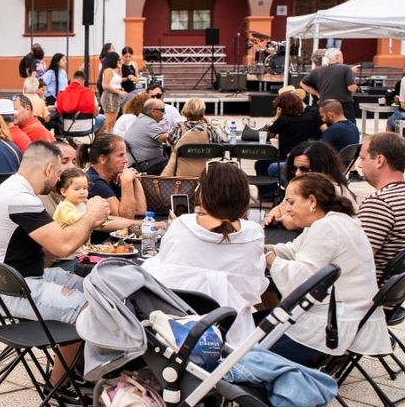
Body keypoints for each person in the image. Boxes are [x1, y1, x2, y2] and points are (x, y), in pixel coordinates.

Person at [0, 141, 109, 326]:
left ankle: (69, 354)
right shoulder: (20, 199)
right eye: (57, 174)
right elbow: (62, 247)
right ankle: (69, 356)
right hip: (6, 291)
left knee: (98, 291)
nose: (57, 180)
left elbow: (52, 247)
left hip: (13, 280)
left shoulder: (14, 188)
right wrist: (90, 217)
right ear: (48, 169)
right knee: (93, 309)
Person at [266, 173, 388, 369]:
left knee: (247, 345)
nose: (285, 208)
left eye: (290, 202)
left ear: (312, 200)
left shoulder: (327, 227)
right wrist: (269, 249)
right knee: (259, 324)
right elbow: (295, 250)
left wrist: (268, 258)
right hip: (348, 317)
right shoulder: (335, 220)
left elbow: (302, 278)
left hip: (331, 326)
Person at [141, 163, 268, 341]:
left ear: (203, 194)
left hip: (177, 327)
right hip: (233, 333)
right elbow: (254, 289)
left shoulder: (182, 224)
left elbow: (162, 273)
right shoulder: (254, 233)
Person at [264, 141, 355, 229]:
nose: (297, 174)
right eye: (294, 168)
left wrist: (283, 218)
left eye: (305, 169)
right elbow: (281, 207)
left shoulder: (333, 191)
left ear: (322, 168)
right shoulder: (302, 186)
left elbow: (295, 223)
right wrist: (272, 216)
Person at [356, 132, 405, 282]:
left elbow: (355, 261)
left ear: (379, 160)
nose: (359, 164)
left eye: (363, 158)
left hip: (367, 298)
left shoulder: (380, 204)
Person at [82, 134, 147, 219]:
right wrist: (126, 181)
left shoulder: (110, 180)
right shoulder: (94, 181)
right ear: (102, 159)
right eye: (120, 155)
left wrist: (135, 180)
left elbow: (140, 211)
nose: (126, 160)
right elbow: (126, 217)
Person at [266, 89, 322, 179]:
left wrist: (276, 117)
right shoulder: (310, 117)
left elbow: (269, 134)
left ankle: (269, 191)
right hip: (307, 156)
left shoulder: (283, 119)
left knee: (261, 164)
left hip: (287, 157)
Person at [302, 48, 357, 120]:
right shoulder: (345, 68)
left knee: (326, 128)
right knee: (348, 128)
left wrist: (317, 93)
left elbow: (302, 83)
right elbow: (352, 88)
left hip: (324, 105)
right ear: (337, 58)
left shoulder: (318, 71)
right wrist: (352, 75)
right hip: (343, 105)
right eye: (342, 57)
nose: (343, 59)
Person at [124, 99, 170, 174]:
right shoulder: (148, 123)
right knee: (175, 164)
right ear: (153, 111)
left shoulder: (142, 120)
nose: (164, 113)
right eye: (162, 110)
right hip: (143, 166)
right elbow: (168, 139)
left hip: (138, 164)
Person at [100, 52, 126, 132]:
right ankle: (107, 141)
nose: (120, 61)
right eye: (118, 60)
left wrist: (120, 68)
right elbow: (105, 85)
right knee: (109, 123)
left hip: (115, 96)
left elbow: (119, 81)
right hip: (110, 96)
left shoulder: (115, 70)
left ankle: (109, 139)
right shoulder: (108, 71)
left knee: (112, 122)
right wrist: (118, 92)